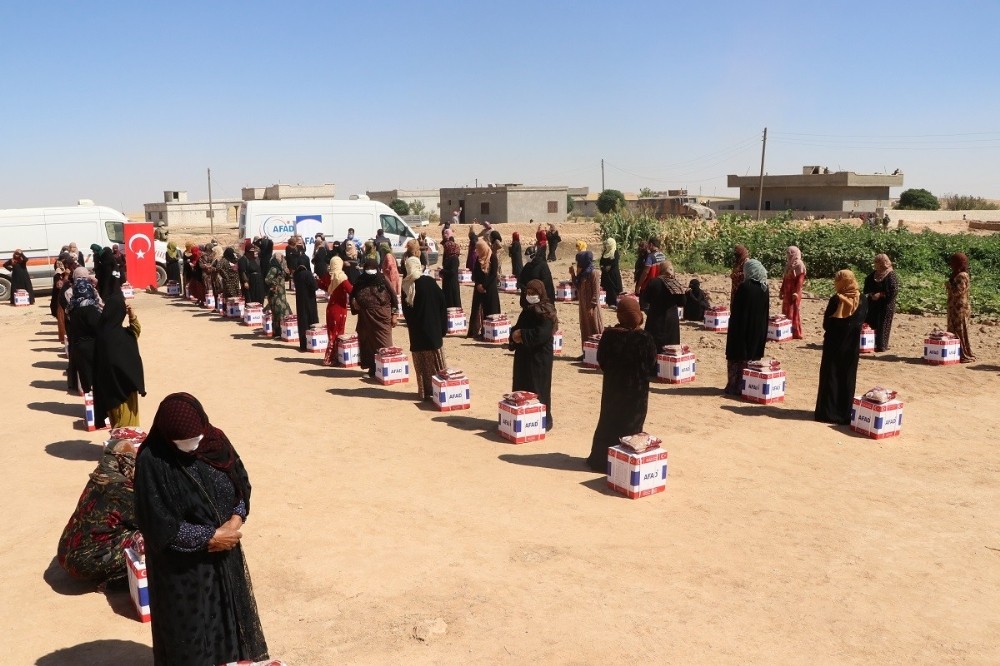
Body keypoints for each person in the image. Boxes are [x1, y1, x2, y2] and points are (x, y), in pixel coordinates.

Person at [134, 393, 273, 666]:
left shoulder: (216, 442)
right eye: (182, 443)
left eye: (195, 439)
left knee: (228, 622)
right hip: (182, 571)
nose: (191, 447)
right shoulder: (153, 460)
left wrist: (235, 521)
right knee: (189, 634)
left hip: (225, 557)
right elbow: (156, 522)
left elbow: (241, 487)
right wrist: (209, 537)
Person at [57, 429, 144, 586]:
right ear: (124, 462)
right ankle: (115, 581)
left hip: (65, 552)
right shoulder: (121, 489)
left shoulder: (98, 478)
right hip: (83, 563)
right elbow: (148, 521)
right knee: (147, 537)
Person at [586, 297, 658, 471]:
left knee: (608, 423)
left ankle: (601, 461)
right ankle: (624, 464)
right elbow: (652, 365)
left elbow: (601, 361)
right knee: (631, 427)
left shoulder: (609, 336)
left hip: (613, 391)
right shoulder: (645, 338)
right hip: (637, 396)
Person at [814, 270, 868, 424]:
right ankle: (844, 414)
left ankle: (827, 413)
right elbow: (862, 319)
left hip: (834, 345)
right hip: (852, 346)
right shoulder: (863, 299)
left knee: (831, 377)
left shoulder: (836, 300)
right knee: (847, 377)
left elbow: (827, 324)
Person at [510, 279, 557, 430]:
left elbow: (542, 334)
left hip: (539, 358)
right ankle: (524, 420)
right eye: (528, 293)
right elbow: (517, 327)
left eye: (533, 293)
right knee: (522, 387)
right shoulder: (527, 310)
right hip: (524, 356)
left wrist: (522, 334)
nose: (530, 296)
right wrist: (514, 335)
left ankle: (542, 420)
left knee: (538, 389)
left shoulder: (546, 311)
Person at [92, 294, 146, 427]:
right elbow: (135, 331)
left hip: (109, 393)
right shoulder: (122, 337)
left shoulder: (101, 334)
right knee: (127, 428)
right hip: (125, 394)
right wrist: (132, 315)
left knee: (117, 425)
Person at [401, 256, 448, 399]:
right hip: (433, 333)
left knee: (423, 368)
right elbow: (442, 304)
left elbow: (406, 314)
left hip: (417, 335)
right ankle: (440, 393)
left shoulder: (407, 287)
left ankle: (425, 392)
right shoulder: (430, 282)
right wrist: (442, 328)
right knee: (436, 366)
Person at [724, 259, 769, 395]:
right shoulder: (764, 287)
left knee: (738, 356)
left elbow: (737, 310)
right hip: (757, 329)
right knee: (751, 356)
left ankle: (735, 386)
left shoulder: (745, 287)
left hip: (741, 327)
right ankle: (748, 387)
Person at [351, 258, 398, 378]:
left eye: (372, 269)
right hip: (365, 316)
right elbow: (353, 295)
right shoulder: (360, 280)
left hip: (382, 315)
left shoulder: (382, 279)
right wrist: (354, 303)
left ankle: (388, 368)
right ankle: (373, 369)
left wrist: (394, 314)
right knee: (368, 343)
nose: (370, 271)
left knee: (384, 341)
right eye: (367, 269)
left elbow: (393, 297)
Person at [66, 271, 102, 394]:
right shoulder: (92, 309)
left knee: (86, 380)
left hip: (78, 347)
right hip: (93, 347)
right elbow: (98, 327)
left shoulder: (72, 309)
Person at [643, 259, 685, 349]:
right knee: (671, 346)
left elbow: (646, 298)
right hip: (671, 318)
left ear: (661, 269)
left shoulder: (653, 282)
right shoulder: (675, 284)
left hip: (655, 316)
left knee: (654, 345)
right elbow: (682, 302)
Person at [570, 249, 603, 357]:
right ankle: (586, 353)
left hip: (591, 307)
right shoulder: (583, 273)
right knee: (585, 328)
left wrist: (591, 307)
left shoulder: (593, 273)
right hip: (583, 306)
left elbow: (596, 292)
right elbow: (578, 288)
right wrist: (573, 275)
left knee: (595, 328)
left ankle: (599, 354)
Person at [863, 253, 898, 352]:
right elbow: (867, 287)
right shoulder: (873, 274)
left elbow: (893, 290)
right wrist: (871, 294)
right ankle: (870, 343)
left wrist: (881, 294)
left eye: (878, 263)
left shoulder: (891, 275)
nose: (876, 265)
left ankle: (881, 346)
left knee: (883, 324)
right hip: (873, 304)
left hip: (886, 305)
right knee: (870, 322)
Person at [946, 252, 977, 363]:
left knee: (960, 331)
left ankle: (963, 353)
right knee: (953, 330)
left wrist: (949, 284)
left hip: (959, 309)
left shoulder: (962, 276)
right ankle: (954, 352)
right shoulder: (957, 274)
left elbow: (957, 291)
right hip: (954, 307)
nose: (951, 265)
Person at [322, 257, 354, 365]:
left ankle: (332, 357)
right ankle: (330, 358)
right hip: (340, 308)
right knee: (338, 333)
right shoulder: (341, 277)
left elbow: (323, 286)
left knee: (331, 333)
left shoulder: (328, 276)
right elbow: (351, 290)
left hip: (331, 307)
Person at [468, 238, 501, 340]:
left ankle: (489, 333)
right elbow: (475, 274)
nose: (477, 251)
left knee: (490, 310)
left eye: (478, 249)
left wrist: (484, 286)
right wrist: (478, 285)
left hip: (490, 288)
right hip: (479, 288)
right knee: (478, 310)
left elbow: (493, 275)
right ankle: (476, 331)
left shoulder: (493, 258)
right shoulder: (478, 260)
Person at [779, 246, 806, 339]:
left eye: (789, 253)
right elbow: (785, 279)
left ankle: (795, 332)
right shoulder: (789, 264)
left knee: (793, 311)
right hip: (787, 291)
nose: (787, 255)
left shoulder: (799, 265)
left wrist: (796, 292)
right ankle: (786, 332)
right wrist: (781, 290)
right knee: (786, 310)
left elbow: (800, 281)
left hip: (794, 292)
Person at [292, 263, 319, 351]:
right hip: (310, 300)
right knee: (311, 320)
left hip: (300, 301)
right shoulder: (307, 274)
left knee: (302, 322)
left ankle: (303, 344)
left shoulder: (296, 275)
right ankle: (313, 343)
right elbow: (314, 287)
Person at [264, 254, 292, 339]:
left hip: (282, 295)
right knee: (277, 314)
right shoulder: (274, 268)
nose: (283, 259)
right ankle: (277, 333)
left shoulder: (280, 268)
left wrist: (287, 273)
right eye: (281, 258)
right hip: (275, 295)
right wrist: (274, 285)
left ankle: (282, 332)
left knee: (285, 313)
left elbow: (286, 279)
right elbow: (267, 279)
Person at [440, 229, 462, 309]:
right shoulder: (449, 257)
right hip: (447, 283)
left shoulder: (454, 258)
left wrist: (442, 271)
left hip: (452, 283)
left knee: (453, 301)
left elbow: (452, 271)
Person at [599, 237, 623, 309]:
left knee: (613, 287)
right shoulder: (605, 252)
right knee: (607, 287)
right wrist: (603, 267)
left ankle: (614, 302)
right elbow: (601, 262)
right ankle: (607, 301)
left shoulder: (615, 252)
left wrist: (609, 267)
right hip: (606, 274)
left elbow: (615, 262)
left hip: (613, 273)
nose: (607, 245)